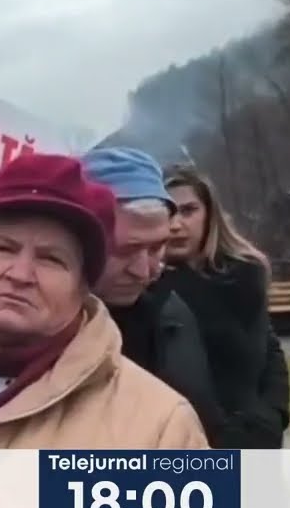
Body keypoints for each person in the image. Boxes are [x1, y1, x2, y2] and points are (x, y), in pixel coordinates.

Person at [0, 152, 208, 448]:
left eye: (51, 259)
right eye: (2, 248)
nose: (20, 274)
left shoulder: (160, 428)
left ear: (84, 284)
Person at [80, 147, 224, 443]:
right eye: (124, 250)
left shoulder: (172, 310)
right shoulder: (31, 329)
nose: (144, 271)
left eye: (157, 247)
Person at [161, 164, 290, 449]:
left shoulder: (245, 273)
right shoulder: (148, 289)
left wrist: (274, 414)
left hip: (258, 437)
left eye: (188, 210)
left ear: (210, 214)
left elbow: (269, 350)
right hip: (192, 442)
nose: (176, 224)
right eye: (167, 212)